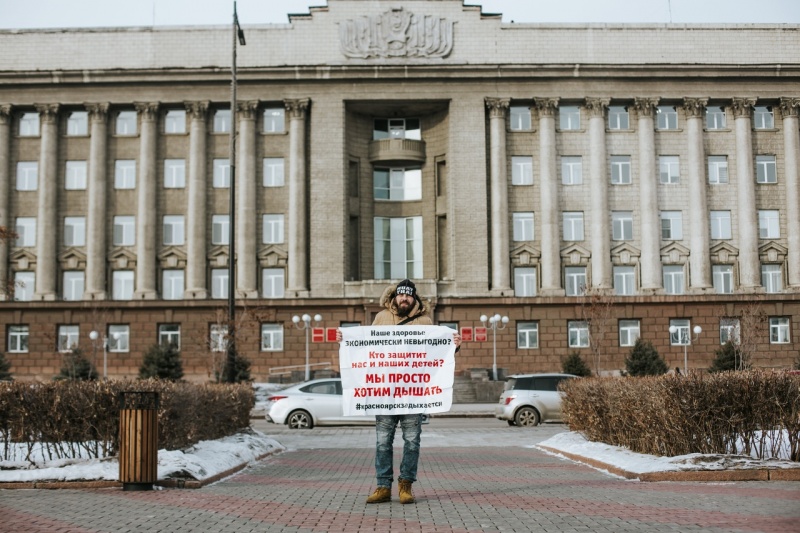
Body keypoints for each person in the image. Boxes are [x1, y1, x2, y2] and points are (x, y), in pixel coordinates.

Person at [337, 279, 461, 505]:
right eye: (401, 295)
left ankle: (406, 485)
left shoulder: (425, 321)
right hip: (385, 393)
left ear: (414, 298)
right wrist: (345, 342)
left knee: (412, 442)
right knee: (382, 443)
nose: (404, 299)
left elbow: (434, 353)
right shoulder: (381, 318)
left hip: (413, 395)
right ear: (394, 297)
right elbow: (366, 348)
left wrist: (454, 344)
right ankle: (383, 486)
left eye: (409, 295)